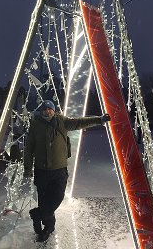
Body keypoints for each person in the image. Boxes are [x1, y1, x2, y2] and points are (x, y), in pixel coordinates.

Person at [24, 100, 111, 242]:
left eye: (50, 109)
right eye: (45, 109)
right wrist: (27, 169)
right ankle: (48, 227)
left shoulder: (62, 121)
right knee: (45, 201)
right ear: (41, 111)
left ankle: (37, 214)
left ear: (54, 110)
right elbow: (28, 149)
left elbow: (79, 122)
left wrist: (99, 120)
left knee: (56, 198)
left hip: (59, 171)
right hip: (42, 171)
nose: (48, 111)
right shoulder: (35, 125)